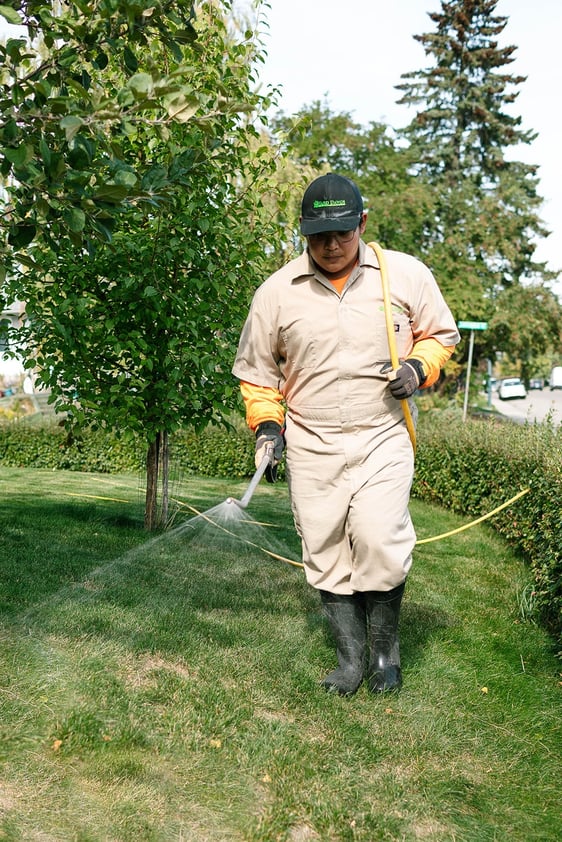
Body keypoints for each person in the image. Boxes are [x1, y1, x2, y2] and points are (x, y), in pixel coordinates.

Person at [232, 173, 459, 695]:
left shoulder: (404, 275)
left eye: (341, 234)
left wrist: (418, 367)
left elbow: (439, 334)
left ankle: (384, 656)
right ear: (303, 233)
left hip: (382, 432)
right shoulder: (276, 293)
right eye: (317, 236)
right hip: (312, 439)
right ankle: (350, 661)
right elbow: (257, 373)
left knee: (379, 539)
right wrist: (267, 422)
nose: (331, 246)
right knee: (325, 546)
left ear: (362, 223)